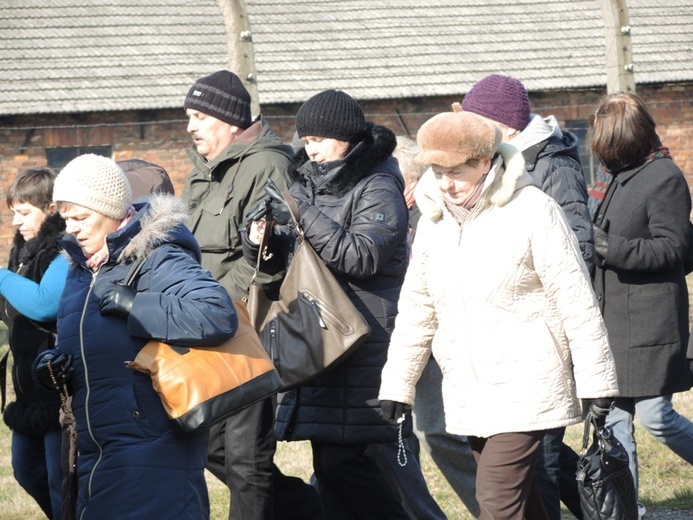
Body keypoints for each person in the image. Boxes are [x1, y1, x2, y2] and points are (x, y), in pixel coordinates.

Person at [378, 106, 619, 520]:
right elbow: (417, 310)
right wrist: (397, 386)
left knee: (495, 500)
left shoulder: (533, 211)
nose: (446, 184)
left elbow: (575, 299)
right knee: (523, 503)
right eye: (436, 172)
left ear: (486, 162)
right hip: (470, 388)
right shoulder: (434, 225)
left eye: (455, 172)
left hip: (528, 382)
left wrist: (598, 383)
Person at [33, 153, 238, 518]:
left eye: (82, 217)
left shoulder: (157, 256)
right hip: (96, 445)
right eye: (67, 219)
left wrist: (135, 305)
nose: (73, 229)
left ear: (113, 211)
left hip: (153, 444)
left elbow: (217, 314)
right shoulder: (81, 268)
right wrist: (55, 365)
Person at [243, 89, 415, 519]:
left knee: (351, 464)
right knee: (330, 463)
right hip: (322, 333)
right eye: (305, 138)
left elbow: (362, 256)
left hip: (365, 340)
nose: (308, 148)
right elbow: (296, 260)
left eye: (317, 138)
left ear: (346, 137)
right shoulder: (310, 182)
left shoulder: (379, 183)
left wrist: (300, 212)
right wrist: (261, 239)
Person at [182, 70, 322, 520]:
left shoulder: (268, 166)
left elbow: (271, 258)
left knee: (246, 460)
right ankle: (314, 509)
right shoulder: (201, 176)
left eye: (200, 116)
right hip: (206, 332)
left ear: (228, 119)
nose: (191, 126)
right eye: (189, 116)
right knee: (210, 448)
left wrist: (223, 307)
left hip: (249, 330)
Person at [461, 73, 594, 519]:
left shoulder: (549, 165)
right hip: (498, 342)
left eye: (474, 120)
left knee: (540, 467)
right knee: (525, 470)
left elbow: (576, 253)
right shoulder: (496, 163)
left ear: (505, 126)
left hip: (539, 341)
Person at [588, 92, 693, 520]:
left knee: (656, 416)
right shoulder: (618, 175)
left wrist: (608, 247)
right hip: (612, 322)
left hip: (650, 324)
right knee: (613, 423)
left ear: (630, 141)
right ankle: (624, 512)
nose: (605, 156)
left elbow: (676, 251)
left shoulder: (664, 176)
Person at [392, 135, 480, 518]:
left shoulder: (432, 215)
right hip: (410, 341)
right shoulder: (397, 214)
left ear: (410, 181)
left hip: (450, 341)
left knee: (445, 435)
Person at [0, 166, 68, 519]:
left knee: (62, 482)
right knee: (26, 472)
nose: (16, 223)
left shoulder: (64, 250)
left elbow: (44, 303)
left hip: (58, 392)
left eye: (24, 213)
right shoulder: (22, 253)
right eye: (14, 213)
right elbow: (14, 309)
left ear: (52, 209)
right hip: (27, 393)